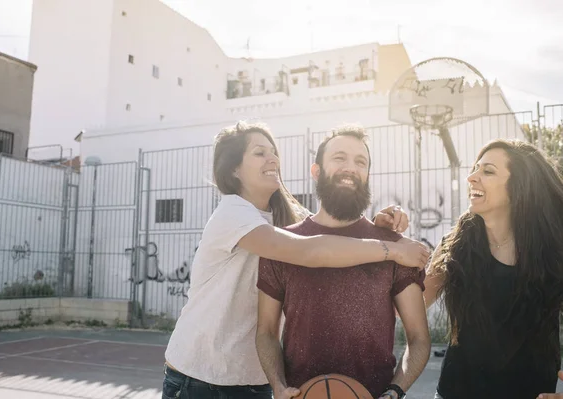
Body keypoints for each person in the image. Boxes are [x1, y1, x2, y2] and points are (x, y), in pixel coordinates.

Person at [162, 121, 431, 399]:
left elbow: (333, 229)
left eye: (273, 151)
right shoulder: (233, 214)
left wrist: (377, 226)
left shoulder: (282, 219)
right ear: (234, 169)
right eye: (259, 153)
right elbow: (312, 250)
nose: (273, 159)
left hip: (253, 379)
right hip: (202, 375)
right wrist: (392, 250)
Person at [255, 125, 431, 399]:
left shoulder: (399, 247)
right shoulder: (284, 245)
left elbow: (419, 339)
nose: (351, 167)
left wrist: (395, 391)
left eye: (360, 162)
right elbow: (266, 331)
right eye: (339, 158)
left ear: (367, 175)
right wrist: (277, 385)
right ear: (316, 171)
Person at [424, 139, 563, 399]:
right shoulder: (455, 245)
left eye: (487, 171)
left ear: (519, 187)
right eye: (475, 168)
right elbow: (413, 303)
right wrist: (387, 242)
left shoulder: (553, 250)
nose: (471, 177)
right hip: (455, 393)